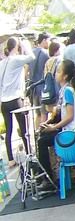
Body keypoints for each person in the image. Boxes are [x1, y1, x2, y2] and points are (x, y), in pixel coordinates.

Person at [36, 59, 75, 181]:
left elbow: (69, 116)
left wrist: (54, 127)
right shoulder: (64, 90)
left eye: (58, 72)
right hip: (67, 132)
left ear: (65, 76)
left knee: (42, 141)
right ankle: (47, 176)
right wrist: (47, 123)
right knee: (42, 136)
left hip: (70, 134)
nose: (56, 74)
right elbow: (58, 114)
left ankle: (47, 178)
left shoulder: (67, 91)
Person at [1, 37, 35, 167]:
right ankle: (29, 154)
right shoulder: (16, 59)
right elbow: (31, 57)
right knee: (24, 128)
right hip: (16, 99)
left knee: (8, 130)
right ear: (16, 47)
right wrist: (26, 45)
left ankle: (10, 159)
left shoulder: (2, 63)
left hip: (4, 102)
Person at [28, 33, 51, 123]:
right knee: (44, 113)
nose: (49, 43)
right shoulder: (46, 54)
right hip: (43, 87)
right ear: (44, 40)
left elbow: (27, 69)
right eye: (48, 40)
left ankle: (37, 135)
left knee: (37, 114)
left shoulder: (32, 53)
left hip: (33, 87)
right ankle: (42, 134)